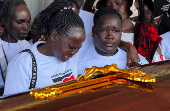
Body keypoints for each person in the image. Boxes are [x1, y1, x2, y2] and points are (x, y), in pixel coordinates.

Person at [4, 0, 85, 96]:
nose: (74, 52)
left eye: (78, 48)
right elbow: (13, 105)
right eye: (72, 47)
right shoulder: (23, 64)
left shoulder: (72, 57)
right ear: (54, 35)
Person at [78, 7, 148, 75]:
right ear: (93, 31)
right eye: (104, 30)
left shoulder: (135, 61)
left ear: (121, 33)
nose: (110, 36)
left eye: (115, 31)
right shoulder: (78, 57)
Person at [0, 0, 31, 93]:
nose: (26, 27)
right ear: (5, 21)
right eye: (20, 22)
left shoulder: (26, 45)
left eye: (28, 21)